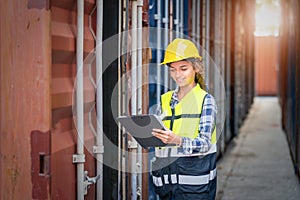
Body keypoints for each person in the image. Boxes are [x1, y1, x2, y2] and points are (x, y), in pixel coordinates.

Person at [151, 38, 217, 200]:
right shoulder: (165, 100)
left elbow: (204, 144)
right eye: (173, 69)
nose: (177, 74)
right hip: (166, 184)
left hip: (193, 185)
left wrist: (178, 140)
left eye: (183, 68)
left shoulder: (205, 100)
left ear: (196, 68)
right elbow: (161, 140)